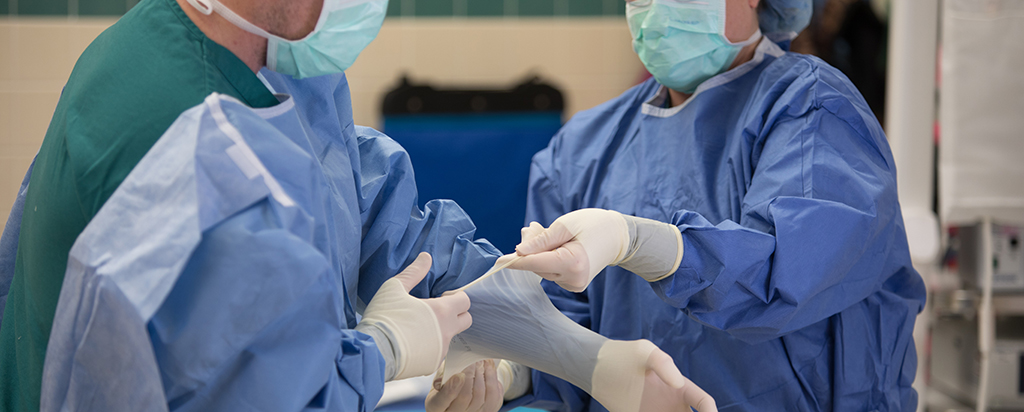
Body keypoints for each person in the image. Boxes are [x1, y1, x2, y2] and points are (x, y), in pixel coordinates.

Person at [0, 0, 499, 410]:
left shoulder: (254, 57)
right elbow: (266, 395)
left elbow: (352, 196)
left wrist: (509, 280)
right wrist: (385, 350)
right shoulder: (197, 156)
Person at [428, 0, 927, 410]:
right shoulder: (580, 148)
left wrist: (638, 242)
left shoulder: (812, 109)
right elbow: (565, 335)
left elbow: (786, 272)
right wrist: (512, 375)